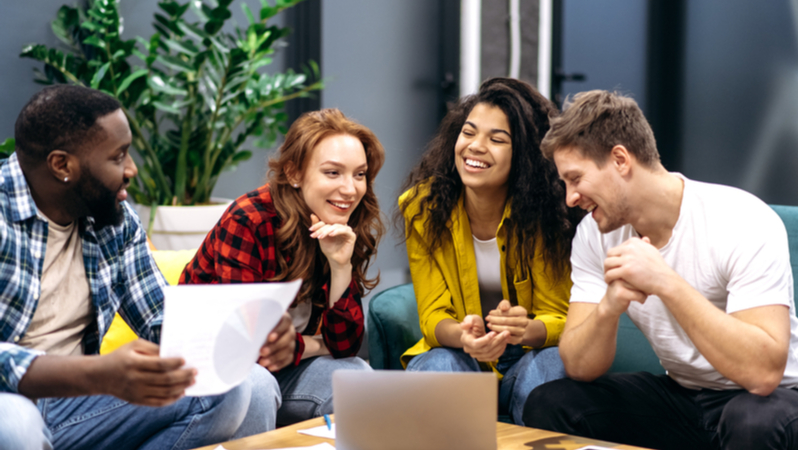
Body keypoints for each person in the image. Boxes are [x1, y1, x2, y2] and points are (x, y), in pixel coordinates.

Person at [0, 85, 283, 450]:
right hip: (11, 403)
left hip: (77, 408)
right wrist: (97, 374)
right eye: (118, 157)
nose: (132, 169)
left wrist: (252, 331)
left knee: (245, 384)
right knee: (16, 423)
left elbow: (161, 321)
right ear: (62, 165)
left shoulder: (114, 221)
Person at [523, 90, 798, 450]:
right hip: (683, 397)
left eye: (575, 179)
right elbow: (579, 366)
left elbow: (763, 375)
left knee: (751, 421)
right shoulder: (594, 234)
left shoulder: (742, 219)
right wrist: (610, 305)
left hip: (773, 398)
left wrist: (666, 281)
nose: (570, 197)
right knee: (552, 402)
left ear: (620, 159)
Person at [181, 108, 383, 426]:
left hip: (283, 371)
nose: (350, 189)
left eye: (359, 174)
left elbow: (345, 345)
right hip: (210, 371)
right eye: (333, 173)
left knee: (355, 377)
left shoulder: (342, 222)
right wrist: (314, 345)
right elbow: (252, 348)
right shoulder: (250, 220)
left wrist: (340, 266)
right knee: (257, 385)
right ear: (294, 174)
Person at [398, 77, 582, 425]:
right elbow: (432, 317)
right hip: (459, 354)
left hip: (529, 355)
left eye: (497, 139)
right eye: (468, 133)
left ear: (524, 155)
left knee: (553, 366)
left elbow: (562, 316)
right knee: (438, 366)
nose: (475, 147)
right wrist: (464, 335)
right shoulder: (422, 207)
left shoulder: (549, 215)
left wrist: (527, 330)